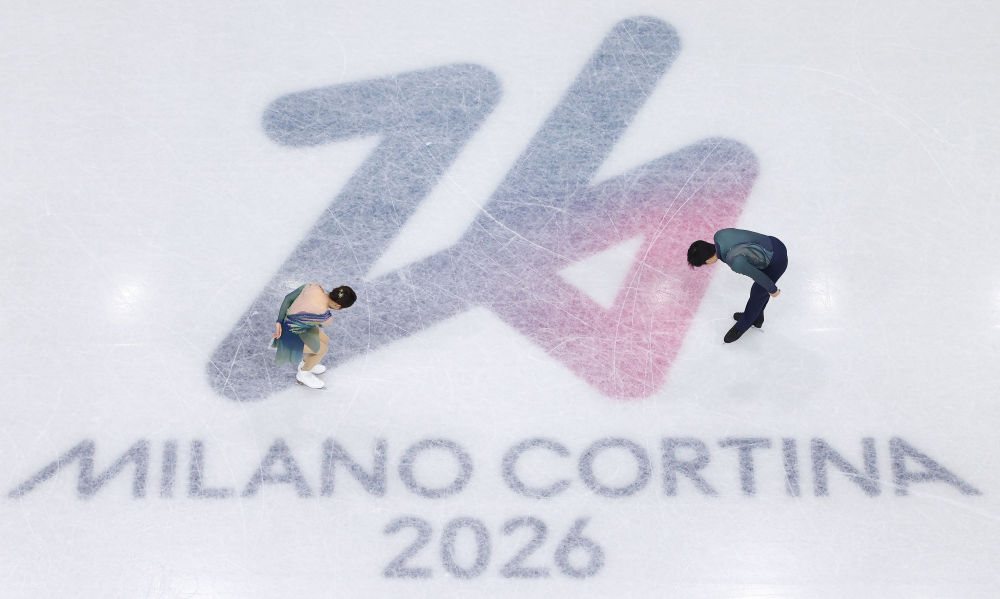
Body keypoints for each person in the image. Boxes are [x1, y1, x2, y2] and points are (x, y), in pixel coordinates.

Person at [687, 228, 787, 343]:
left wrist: (772, 289)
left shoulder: (735, 262)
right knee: (760, 292)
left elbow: (758, 275)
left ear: (708, 261)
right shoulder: (719, 235)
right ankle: (757, 319)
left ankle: (741, 326)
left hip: (777, 261)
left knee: (758, 293)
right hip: (774, 243)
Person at [272, 283, 357, 389]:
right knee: (322, 350)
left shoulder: (312, 286)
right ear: (338, 306)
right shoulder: (324, 316)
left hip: (294, 325)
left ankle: (307, 363)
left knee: (325, 340)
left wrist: (279, 321)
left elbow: (288, 298)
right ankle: (303, 374)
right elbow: (322, 323)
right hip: (290, 335)